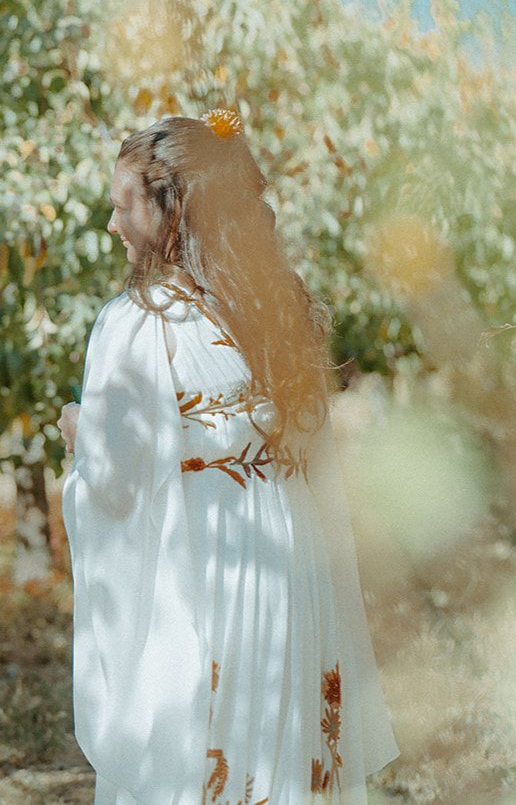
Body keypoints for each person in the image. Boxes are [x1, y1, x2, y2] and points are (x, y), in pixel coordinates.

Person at [57, 112, 397, 805]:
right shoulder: (278, 314)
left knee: (200, 763)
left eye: (122, 203)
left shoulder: (135, 322)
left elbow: (116, 489)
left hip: (206, 572)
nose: (110, 223)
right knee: (281, 754)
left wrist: (79, 437)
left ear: (170, 211)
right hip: (290, 566)